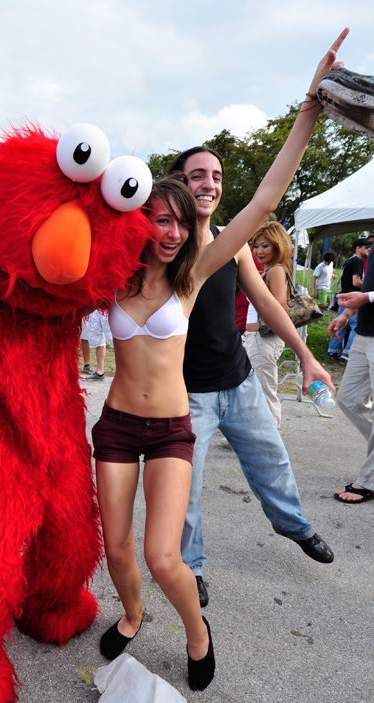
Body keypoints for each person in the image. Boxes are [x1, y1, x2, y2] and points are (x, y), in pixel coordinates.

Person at [91, 28, 346, 691]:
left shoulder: (194, 272)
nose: (169, 229)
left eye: (177, 219)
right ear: (138, 220)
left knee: (161, 552)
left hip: (174, 424)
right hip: (117, 426)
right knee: (117, 550)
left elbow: (262, 203)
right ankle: (131, 617)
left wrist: (307, 111)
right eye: (157, 218)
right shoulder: (110, 279)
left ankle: (197, 635)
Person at [165, 33, 347, 607]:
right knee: (184, 496)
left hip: (239, 380)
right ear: (177, 184)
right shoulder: (164, 252)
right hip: (186, 395)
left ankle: (293, 525)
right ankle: (190, 570)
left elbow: (269, 305)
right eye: (198, 175)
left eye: (216, 177)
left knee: (272, 460)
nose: (209, 184)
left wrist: (308, 355)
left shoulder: (230, 243)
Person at [243, 222, 294, 428]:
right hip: (256, 338)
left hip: (264, 339)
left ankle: (270, 433)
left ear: (278, 245)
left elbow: (277, 305)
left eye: (265, 245)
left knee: (264, 389)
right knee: (256, 387)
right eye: (256, 245)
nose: (258, 250)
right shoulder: (271, 270)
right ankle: (257, 430)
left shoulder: (275, 270)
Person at [330, 268, 374, 504]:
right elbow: (367, 287)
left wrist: (367, 297)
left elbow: (367, 293)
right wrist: (346, 315)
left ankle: (368, 480)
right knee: (348, 399)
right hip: (363, 334)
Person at [327, 238, 370, 360]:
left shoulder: (349, 260)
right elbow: (356, 282)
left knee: (339, 325)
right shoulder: (357, 261)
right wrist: (368, 287)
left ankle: (333, 350)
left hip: (344, 297)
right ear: (358, 248)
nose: (368, 250)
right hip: (353, 298)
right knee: (356, 325)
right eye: (366, 247)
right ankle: (347, 353)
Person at [80, 309, 113, 380]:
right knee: (98, 339)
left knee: (115, 338)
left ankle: (125, 372)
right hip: (95, 310)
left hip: (110, 307)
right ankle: (99, 372)